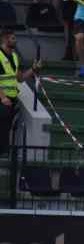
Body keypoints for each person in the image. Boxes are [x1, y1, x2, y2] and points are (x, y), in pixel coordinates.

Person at [0, 29, 40, 157]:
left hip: (11, 98)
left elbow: (20, 78)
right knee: (3, 124)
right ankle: (4, 152)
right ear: (5, 39)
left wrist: (33, 69)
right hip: (2, 99)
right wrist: (2, 97)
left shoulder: (14, 57)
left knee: (7, 126)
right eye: (12, 38)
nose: (15, 41)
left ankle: (4, 151)